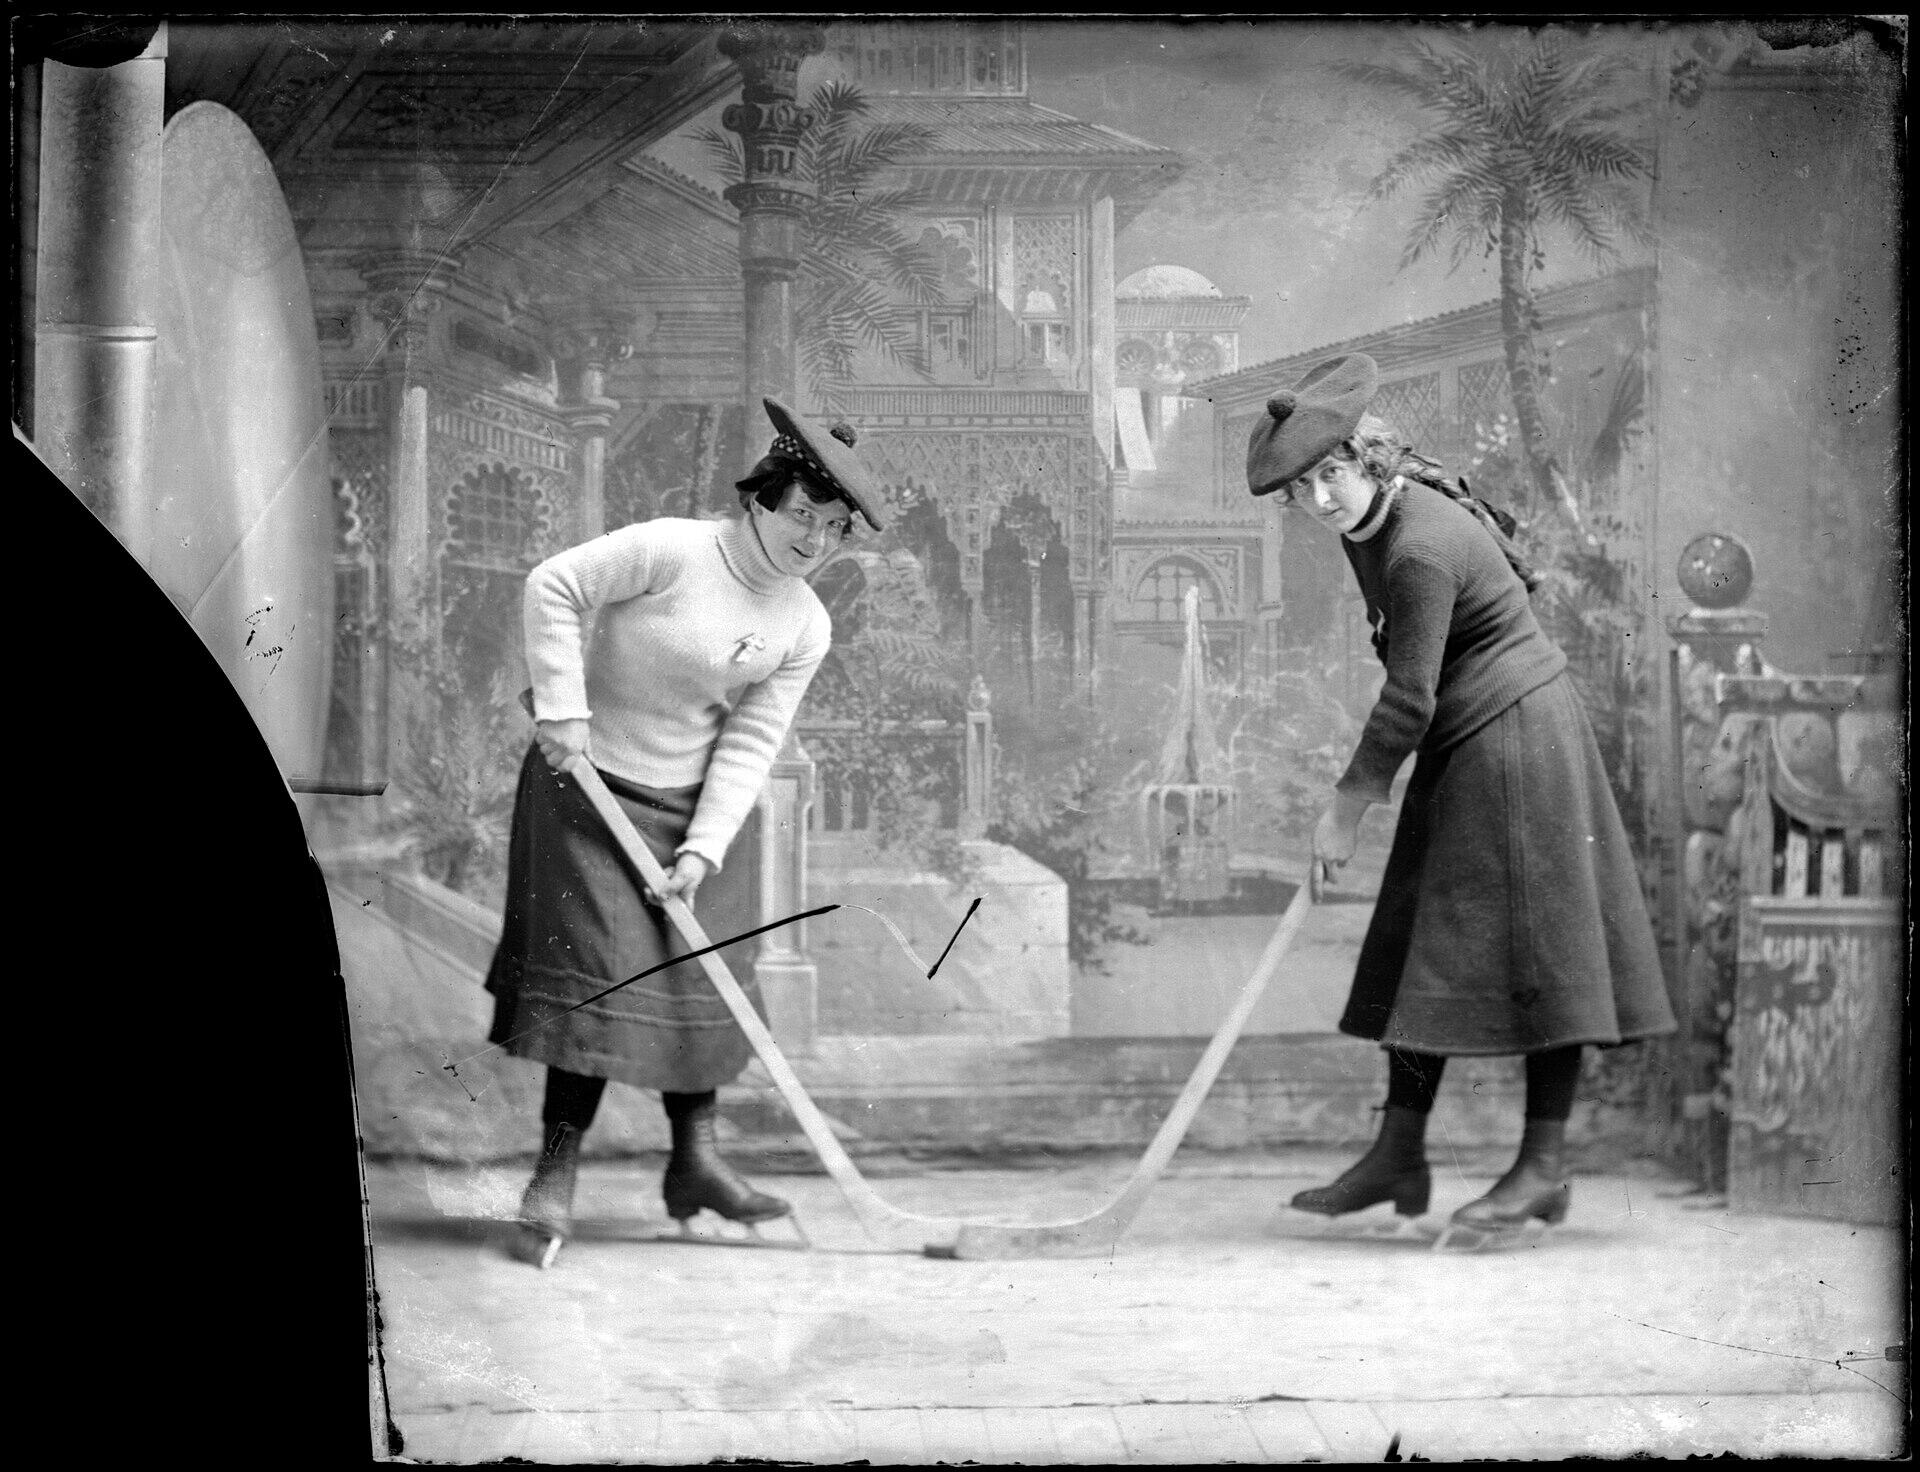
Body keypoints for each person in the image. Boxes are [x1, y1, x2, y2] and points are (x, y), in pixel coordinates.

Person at [1244, 354, 1676, 1249]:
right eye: (1303, 486)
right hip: (1471, 735)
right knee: (1418, 944)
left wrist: (1347, 806)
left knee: (1546, 958)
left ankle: (1544, 1167)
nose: (1322, 497)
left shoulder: (1417, 547)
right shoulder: (1376, 526)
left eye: (1334, 474)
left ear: (1372, 462)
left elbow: (1410, 698)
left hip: (1519, 740)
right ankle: (1399, 1152)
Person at [485, 397, 884, 1264]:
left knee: (703, 988)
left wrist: (704, 845)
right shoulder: (673, 549)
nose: (814, 541)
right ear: (763, 499)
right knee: (598, 987)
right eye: (803, 516)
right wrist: (562, 707)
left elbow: (750, 737)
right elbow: (553, 585)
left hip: (691, 811)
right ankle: (553, 1176)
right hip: (585, 797)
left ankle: (694, 1164)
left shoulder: (806, 622)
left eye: (835, 529)